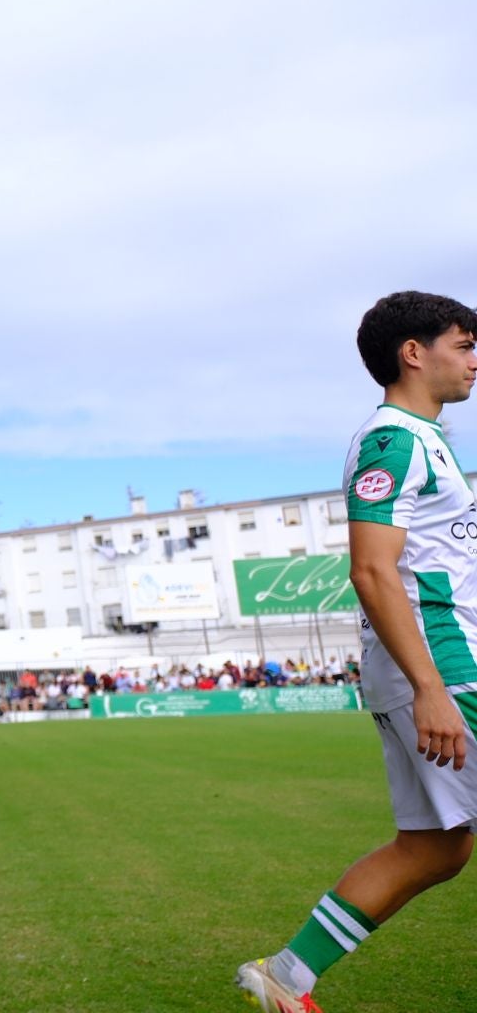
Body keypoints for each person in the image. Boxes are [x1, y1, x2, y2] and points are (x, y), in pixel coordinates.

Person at [237, 293, 477, 1011]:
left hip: (425, 668)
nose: (475, 360)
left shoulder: (427, 441)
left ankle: (287, 976)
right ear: (415, 352)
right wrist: (431, 686)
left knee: (435, 847)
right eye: (464, 344)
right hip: (444, 667)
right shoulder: (393, 439)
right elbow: (372, 568)